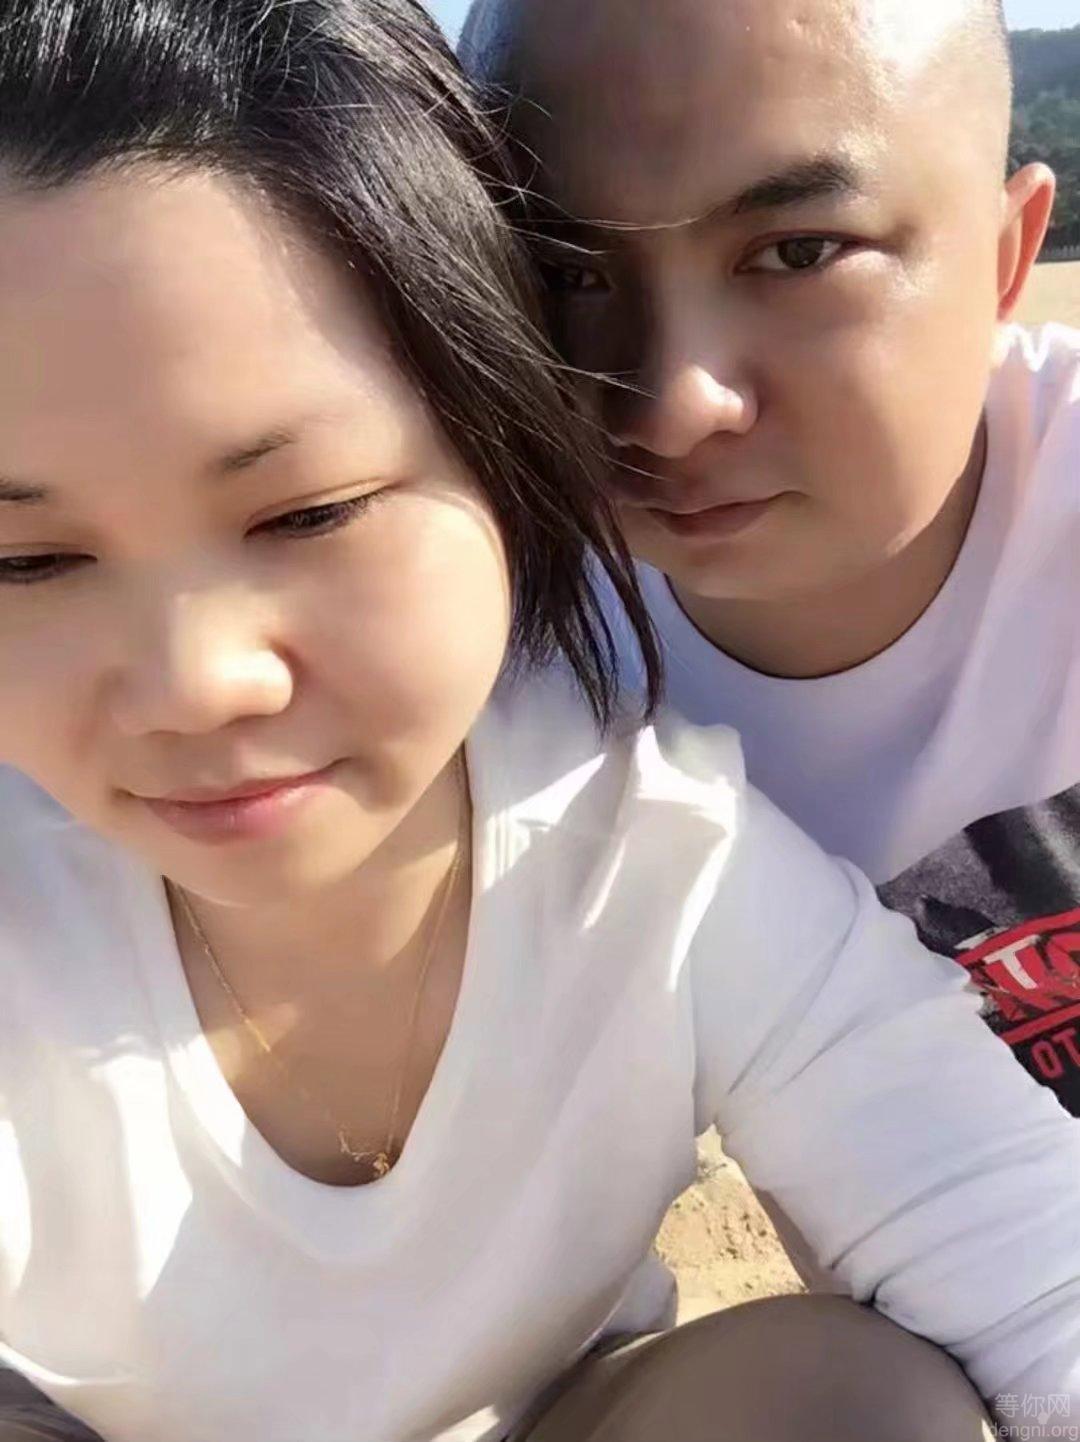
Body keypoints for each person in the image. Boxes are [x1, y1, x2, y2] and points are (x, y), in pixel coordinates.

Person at [0, 2, 1078, 1441]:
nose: (198, 679)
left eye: (308, 512)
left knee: (850, 1399)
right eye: (28, 560)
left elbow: (1024, 1265)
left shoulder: (651, 843)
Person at [461, 0, 1080, 1116]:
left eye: (800, 253)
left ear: (1006, 257)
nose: (671, 405)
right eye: (565, 272)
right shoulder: (501, 671)